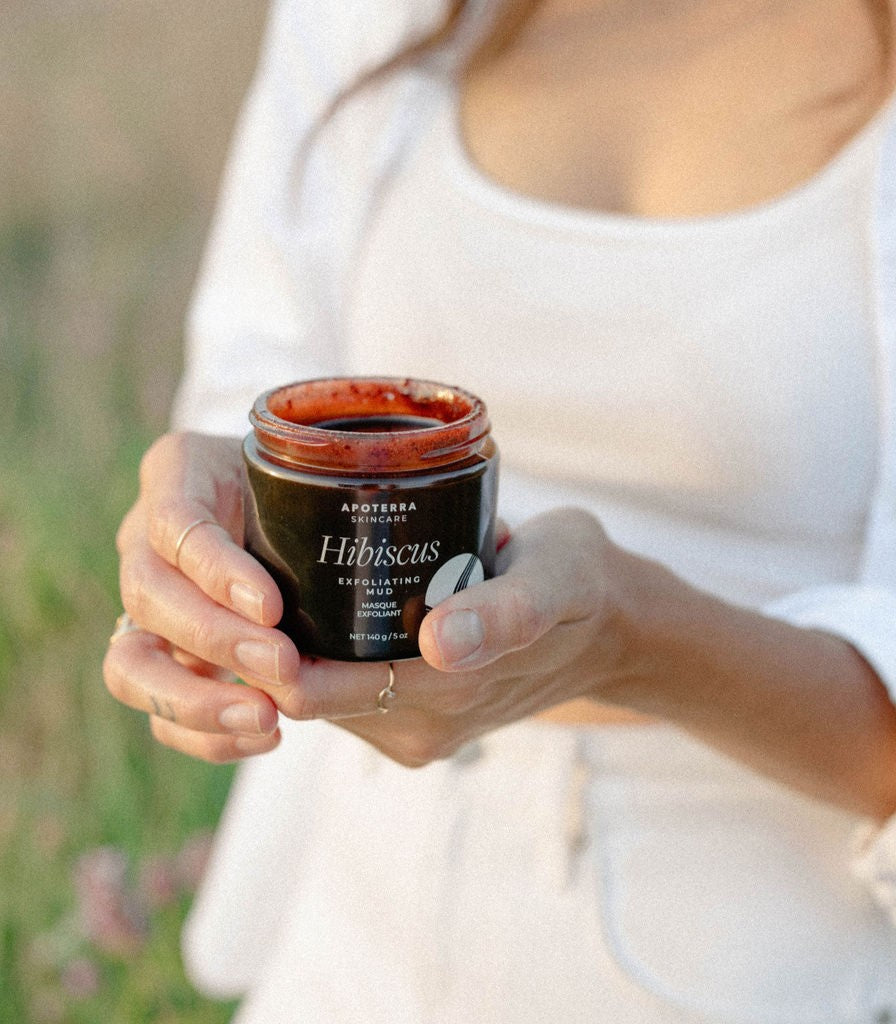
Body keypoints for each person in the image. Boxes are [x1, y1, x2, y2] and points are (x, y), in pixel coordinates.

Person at [103, 0, 896, 1019]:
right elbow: (245, 395)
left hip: (763, 963)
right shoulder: (358, 17)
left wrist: (629, 635)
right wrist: (194, 546)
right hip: (349, 932)